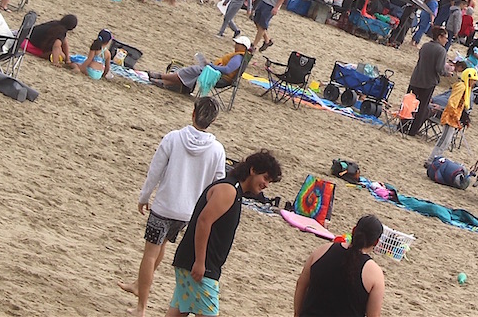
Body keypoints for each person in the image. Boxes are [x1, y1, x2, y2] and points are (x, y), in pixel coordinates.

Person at [119, 96, 226, 317]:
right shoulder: (217, 150)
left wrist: (144, 196)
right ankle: (139, 285)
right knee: (162, 245)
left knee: (150, 253)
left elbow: (155, 170)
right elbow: (219, 184)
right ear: (212, 121)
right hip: (188, 213)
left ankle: (141, 307)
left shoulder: (173, 138)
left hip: (165, 206)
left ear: (193, 113)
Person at [167, 150, 282, 317]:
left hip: (194, 264)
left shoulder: (234, 191)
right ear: (252, 170)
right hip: (200, 267)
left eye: (270, 181)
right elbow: (203, 222)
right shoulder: (229, 190)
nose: (266, 184)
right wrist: (200, 262)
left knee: (178, 312)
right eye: (265, 178)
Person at [293, 213, 385, 317]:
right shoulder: (374, 273)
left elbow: (301, 284)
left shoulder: (323, 250)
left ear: (354, 230)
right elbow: (373, 315)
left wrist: (297, 314)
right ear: (376, 242)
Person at [147, 36, 252, 93]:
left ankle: (163, 77)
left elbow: (228, 70)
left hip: (219, 78)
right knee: (195, 70)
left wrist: (211, 66)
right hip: (218, 74)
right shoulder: (239, 56)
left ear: (243, 47)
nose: (235, 45)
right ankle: (166, 82)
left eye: (238, 44)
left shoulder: (238, 57)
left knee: (195, 70)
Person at [429, 67, 478, 163]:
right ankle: (432, 160)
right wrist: (456, 118)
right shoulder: (461, 87)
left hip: (454, 118)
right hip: (450, 117)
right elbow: (452, 103)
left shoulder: (465, 89)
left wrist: (464, 119)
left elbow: (461, 106)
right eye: (473, 80)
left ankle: (434, 159)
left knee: (446, 141)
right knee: (444, 140)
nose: (474, 83)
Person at [406, 27, 447, 135]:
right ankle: (413, 131)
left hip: (416, 78)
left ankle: (403, 125)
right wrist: (446, 73)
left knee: (409, 103)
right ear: (440, 37)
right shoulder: (441, 50)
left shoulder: (425, 46)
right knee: (422, 107)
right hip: (428, 82)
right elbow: (439, 68)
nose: (446, 40)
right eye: (445, 38)